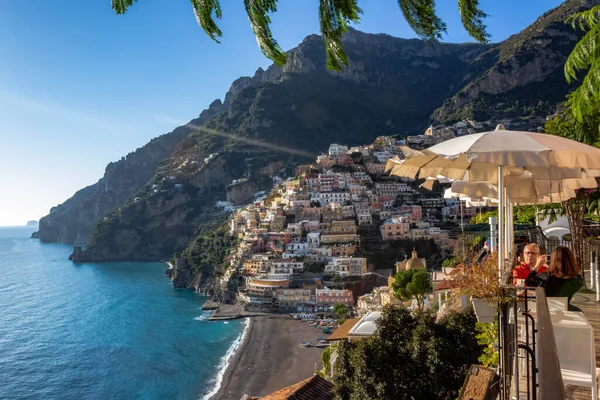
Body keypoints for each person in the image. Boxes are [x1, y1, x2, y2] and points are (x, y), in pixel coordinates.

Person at [544, 246, 583, 311]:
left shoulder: (546, 277)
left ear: (553, 259)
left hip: (548, 308)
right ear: (571, 260)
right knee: (579, 312)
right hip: (565, 308)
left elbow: (529, 281)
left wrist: (537, 266)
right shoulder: (577, 280)